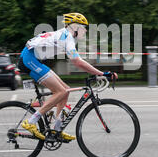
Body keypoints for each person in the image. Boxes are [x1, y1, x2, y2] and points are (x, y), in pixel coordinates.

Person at [17, 13, 117, 141]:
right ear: (75, 27)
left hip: (33, 59)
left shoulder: (66, 35)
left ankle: (57, 129)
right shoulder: (67, 36)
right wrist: (102, 73)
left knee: (66, 90)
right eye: (83, 27)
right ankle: (30, 122)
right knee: (61, 91)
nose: (85, 30)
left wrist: (98, 73)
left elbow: (77, 60)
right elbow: (77, 62)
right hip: (29, 59)